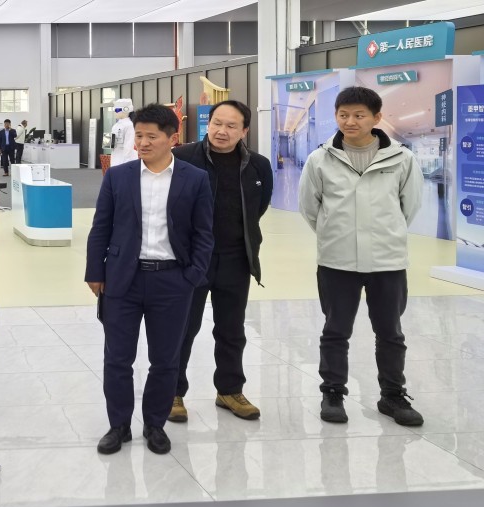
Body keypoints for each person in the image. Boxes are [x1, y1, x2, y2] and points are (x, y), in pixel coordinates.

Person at [85, 103, 213, 455]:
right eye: (139, 135)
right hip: (122, 281)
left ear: (173, 138)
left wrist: (192, 276)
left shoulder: (194, 179)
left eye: (151, 137)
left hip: (172, 281)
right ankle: (119, 425)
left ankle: (155, 424)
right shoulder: (118, 176)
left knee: (166, 359)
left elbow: (204, 233)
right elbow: (100, 227)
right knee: (117, 359)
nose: (142, 142)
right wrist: (95, 272)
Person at [298, 86, 424, 427]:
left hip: (387, 261)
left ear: (376, 118)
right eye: (343, 115)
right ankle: (332, 392)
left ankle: (392, 395)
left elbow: (409, 206)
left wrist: (386, 234)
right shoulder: (320, 159)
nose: (350, 121)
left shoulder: (401, 159)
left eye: (359, 115)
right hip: (337, 261)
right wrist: (334, 235)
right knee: (335, 330)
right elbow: (309, 207)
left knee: (390, 332)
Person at [168, 100, 273, 423]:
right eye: (216, 123)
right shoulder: (182, 158)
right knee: (182, 328)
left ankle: (229, 390)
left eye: (231, 126)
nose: (221, 131)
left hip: (235, 258)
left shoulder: (258, 165)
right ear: (208, 124)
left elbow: (258, 208)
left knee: (231, 329)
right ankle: (172, 392)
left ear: (244, 131)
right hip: (190, 259)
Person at [110, 98, 138, 166]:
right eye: (114, 110)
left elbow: (129, 145)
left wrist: (125, 162)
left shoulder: (130, 125)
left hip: (126, 160)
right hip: (115, 156)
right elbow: (112, 143)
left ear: (126, 110)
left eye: (117, 110)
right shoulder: (115, 126)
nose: (115, 112)